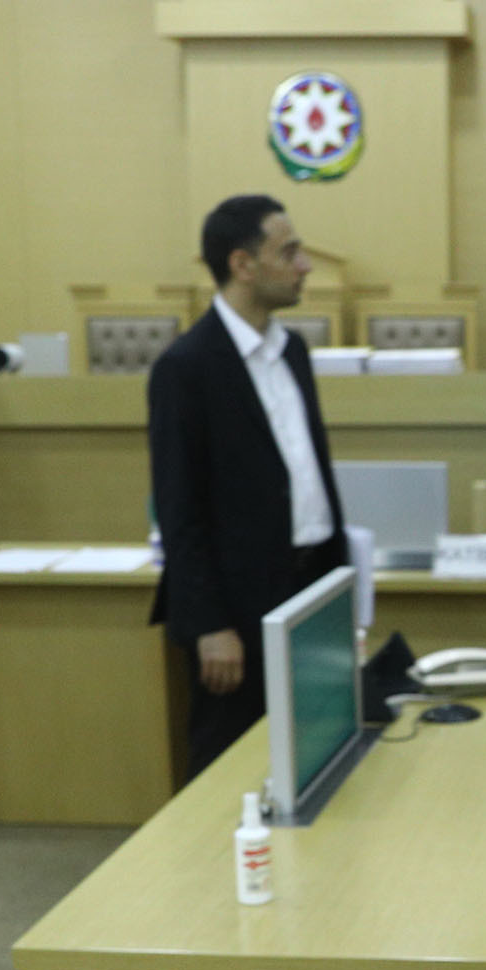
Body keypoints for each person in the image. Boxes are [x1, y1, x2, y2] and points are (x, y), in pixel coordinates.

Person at [147, 194, 346, 776]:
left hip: (310, 585)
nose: (304, 265)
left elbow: (306, 474)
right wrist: (210, 625)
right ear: (243, 264)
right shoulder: (186, 367)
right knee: (230, 763)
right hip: (237, 605)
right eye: (289, 252)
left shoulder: (293, 351)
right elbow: (179, 510)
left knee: (316, 748)